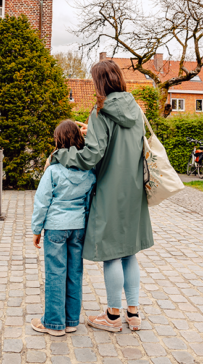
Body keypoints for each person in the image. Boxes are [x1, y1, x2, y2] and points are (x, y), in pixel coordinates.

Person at [50, 59, 153, 333]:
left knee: (112, 254)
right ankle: (133, 313)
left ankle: (112, 316)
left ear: (99, 83)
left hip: (110, 189)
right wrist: (91, 130)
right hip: (134, 190)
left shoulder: (101, 111)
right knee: (130, 252)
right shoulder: (135, 108)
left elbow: (91, 156)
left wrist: (62, 154)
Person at [30, 120, 97, 337]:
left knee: (55, 273)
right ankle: (71, 321)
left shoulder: (53, 171)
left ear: (59, 141)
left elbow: (42, 202)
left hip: (56, 228)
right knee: (74, 273)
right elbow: (89, 202)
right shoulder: (90, 172)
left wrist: (36, 229)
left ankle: (53, 323)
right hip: (78, 227)